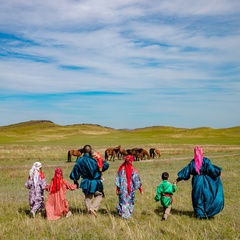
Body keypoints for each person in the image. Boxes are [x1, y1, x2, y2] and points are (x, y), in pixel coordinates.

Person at [176, 146, 224, 219]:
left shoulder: (192, 163)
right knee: (207, 196)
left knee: (197, 197)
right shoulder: (206, 161)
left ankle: (200, 214)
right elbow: (212, 170)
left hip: (197, 182)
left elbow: (186, 172)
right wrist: (218, 173)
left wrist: (177, 180)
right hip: (206, 181)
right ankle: (207, 212)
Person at [69, 144, 109, 217]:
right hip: (96, 181)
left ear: (83, 151)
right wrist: (100, 158)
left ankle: (90, 213)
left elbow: (75, 171)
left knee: (88, 198)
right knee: (99, 195)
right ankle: (93, 208)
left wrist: (75, 181)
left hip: (86, 181)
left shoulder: (79, 161)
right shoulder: (94, 160)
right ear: (91, 151)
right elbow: (105, 166)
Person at [115, 154, 143, 219]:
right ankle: (126, 215)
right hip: (130, 189)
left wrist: (117, 189)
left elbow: (118, 180)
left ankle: (123, 213)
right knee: (129, 201)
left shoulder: (121, 168)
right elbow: (136, 180)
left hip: (122, 189)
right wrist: (140, 189)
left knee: (123, 201)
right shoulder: (133, 169)